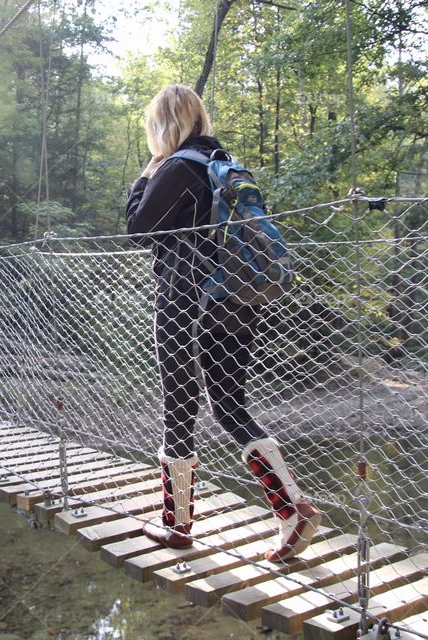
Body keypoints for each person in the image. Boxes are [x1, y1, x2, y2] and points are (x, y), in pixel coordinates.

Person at [124, 84, 321, 562]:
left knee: (179, 407)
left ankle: (177, 526)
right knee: (229, 406)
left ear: (162, 125)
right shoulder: (227, 167)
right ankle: (293, 508)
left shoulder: (175, 168)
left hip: (185, 300)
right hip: (237, 300)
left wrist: (145, 175)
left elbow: (135, 228)